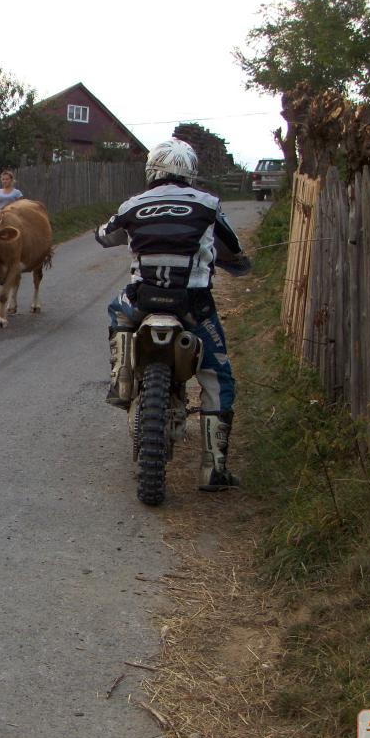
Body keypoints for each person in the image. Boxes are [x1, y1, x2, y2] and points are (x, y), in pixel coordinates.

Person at [95, 138, 251, 491]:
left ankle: (122, 377)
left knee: (116, 311)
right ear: (191, 172)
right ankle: (214, 468)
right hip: (192, 305)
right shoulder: (209, 204)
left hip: (142, 300)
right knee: (218, 376)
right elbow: (233, 249)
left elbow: (105, 236)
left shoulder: (133, 204)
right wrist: (237, 264)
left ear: (153, 168)